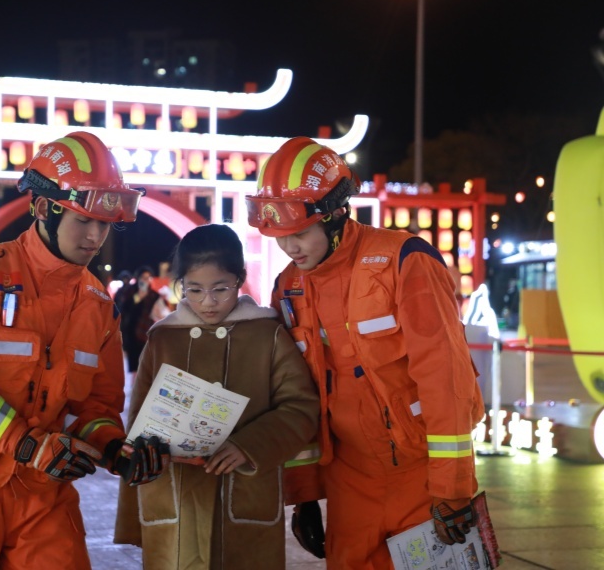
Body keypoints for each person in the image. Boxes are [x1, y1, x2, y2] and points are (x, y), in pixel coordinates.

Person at [0, 132, 169, 569]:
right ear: (43, 209)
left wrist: (115, 448)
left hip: (41, 487)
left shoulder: (100, 308)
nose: (96, 236)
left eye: (105, 223)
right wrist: (26, 445)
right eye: (84, 220)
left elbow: (94, 406)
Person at [246, 137, 485, 568]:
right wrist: (305, 496)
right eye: (279, 236)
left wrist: (452, 489)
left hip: (422, 475)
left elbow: (446, 378)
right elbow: (296, 396)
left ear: (336, 214)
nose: (289, 247)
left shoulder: (404, 262)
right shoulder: (289, 287)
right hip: (348, 482)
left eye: (299, 233)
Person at [114, 223, 320, 569]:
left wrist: (249, 445)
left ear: (239, 279)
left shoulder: (267, 335)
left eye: (220, 289)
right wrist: (132, 509)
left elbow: (301, 408)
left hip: (244, 498)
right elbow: (138, 425)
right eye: (193, 290)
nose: (207, 302)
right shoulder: (162, 339)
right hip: (172, 496)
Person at [119, 265, 161, 375]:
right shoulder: (130, 291)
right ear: (137, 278)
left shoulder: (154, 295)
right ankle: (135, 387)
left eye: (148, 277)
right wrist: (138, 297)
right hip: (131, 331)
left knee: (146, 362)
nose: (145, 280)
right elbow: (124, 308)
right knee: (133, 363)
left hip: (147, 332)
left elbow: (160, 312)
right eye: (143, 277)